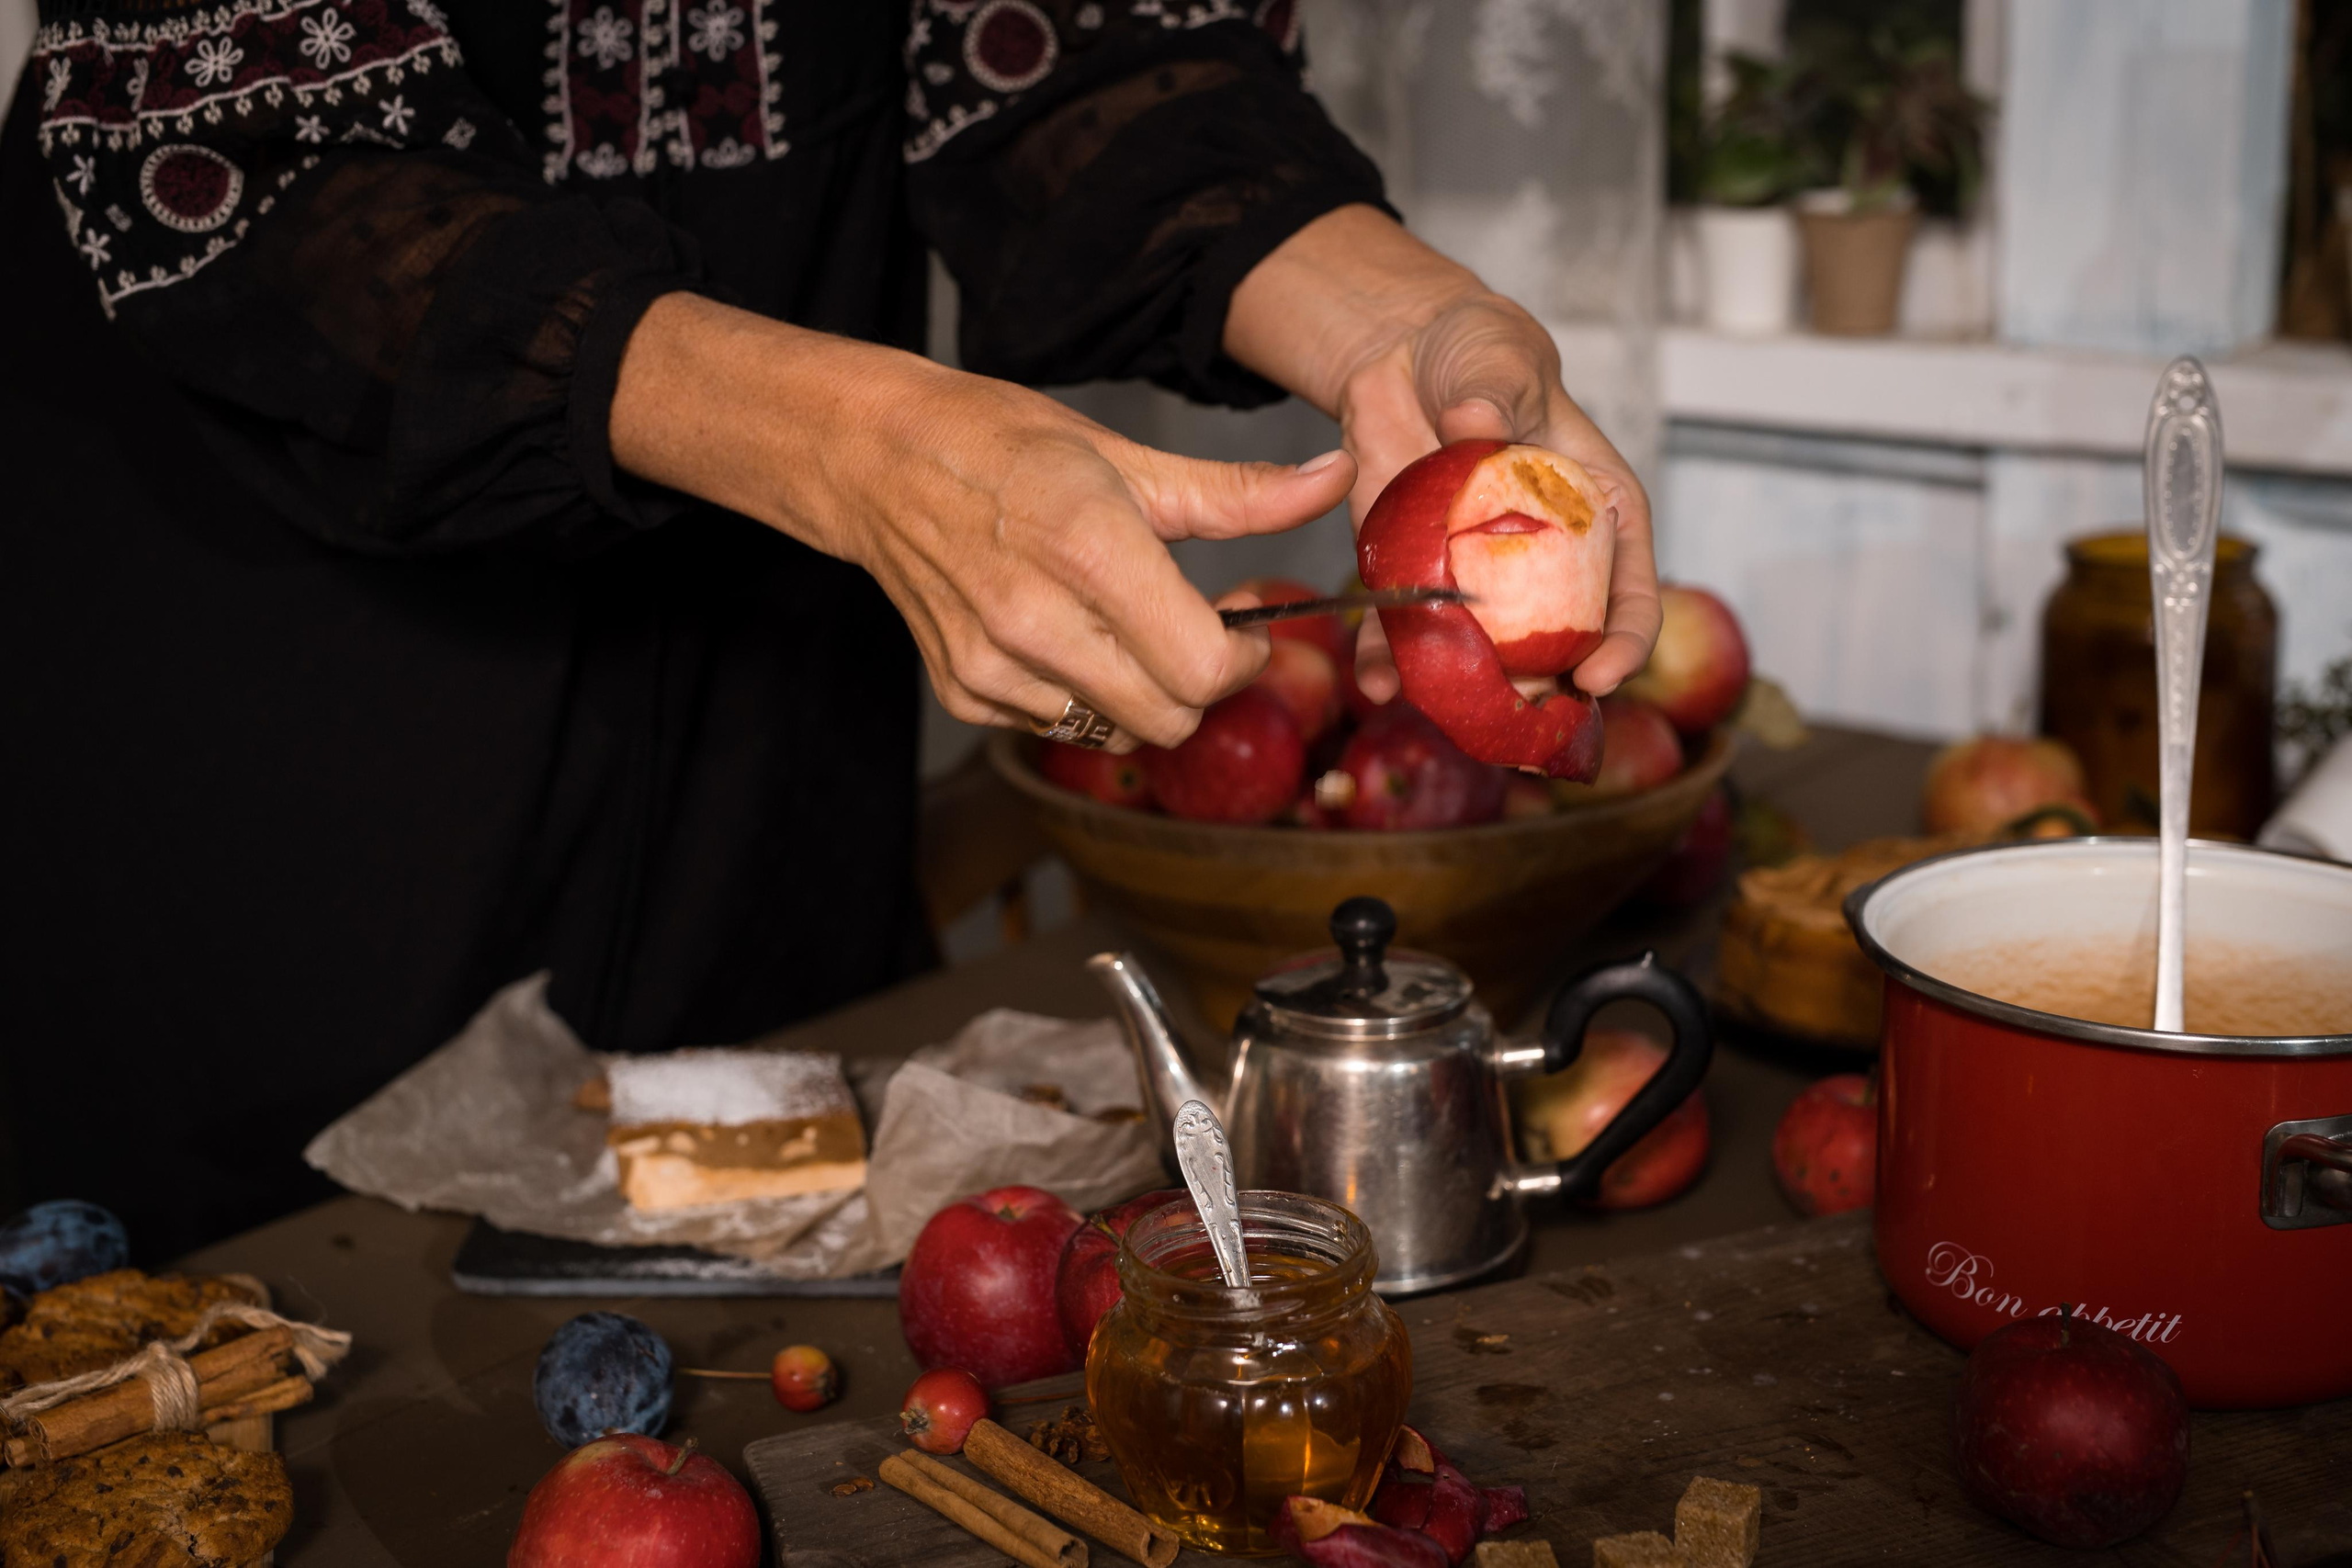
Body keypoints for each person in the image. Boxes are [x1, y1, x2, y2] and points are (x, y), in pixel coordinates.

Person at [0, 0, 1657, 1258]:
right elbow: (254, 149)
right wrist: (866, 445)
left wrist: (1408, 320)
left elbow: (1075, 61)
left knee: (776, 1329)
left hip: (761, 704)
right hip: (276, 672)